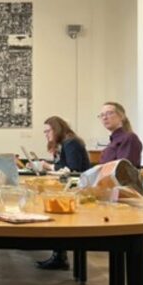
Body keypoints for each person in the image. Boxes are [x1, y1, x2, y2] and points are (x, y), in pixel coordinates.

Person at [35, 116, 91, 270]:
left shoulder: (71, 142)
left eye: (48, 131)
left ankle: (60, 256)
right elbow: (64, 166)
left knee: (53, 206)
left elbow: (73, 170)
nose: (46, 135)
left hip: (79, 189)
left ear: (56, 128)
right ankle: (59, 255)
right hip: (75, 186)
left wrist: (48, 167)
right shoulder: (67, 142)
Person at [98, 101, 143, 168]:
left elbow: (122, 170)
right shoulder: (113, 141)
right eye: (102, 115)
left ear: (121, 116)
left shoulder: (129, 138)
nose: (104, 118)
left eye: (109, 113)